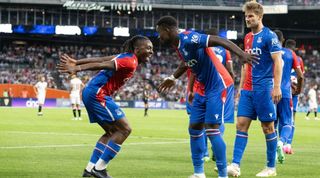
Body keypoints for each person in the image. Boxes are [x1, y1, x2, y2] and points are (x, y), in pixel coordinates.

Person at [156, 15, 257, 178]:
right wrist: (173, 78)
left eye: (160, 32)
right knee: (194, 128)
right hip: (203, 88)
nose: (159, 37)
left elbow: (218, 40)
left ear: (167, 29)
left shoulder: (189, 37)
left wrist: (241, 54)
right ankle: (198, 173)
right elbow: (187, 63)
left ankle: (223, 174)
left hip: (219, 85)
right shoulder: (178, 45)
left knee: (212, 129)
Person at [58, 35, 153, 178]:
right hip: (98, 93)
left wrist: (77, 62)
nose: (151, 51)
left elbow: (101, 59)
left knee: (110, 133)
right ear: (138, 49)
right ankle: (100, 168)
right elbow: (102, 65)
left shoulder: (126, 57)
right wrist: (78, 68)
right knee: (125, 129)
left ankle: (89, 170)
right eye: (149, 48)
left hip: (92, 92)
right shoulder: (130, 61)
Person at [227, 1, 283, 177]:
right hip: (248, 90)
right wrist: (241, 87)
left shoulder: (270, 36)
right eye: (246, 16)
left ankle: (270, 167)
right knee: (241, 124)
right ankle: (235, 165)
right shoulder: (248, 38)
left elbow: (278, 62)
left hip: (264, 88)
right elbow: (246, 63)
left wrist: (276, 87)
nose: (248, 19)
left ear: (260, 16)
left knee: (268, 127)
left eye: (251, 16)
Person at [273, 31, 304, 163]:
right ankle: (282, 143)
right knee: (288, 122)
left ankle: (272, 151)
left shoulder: (268, 51)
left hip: (271, 93)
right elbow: (301, 76)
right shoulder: (291, 54)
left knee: (271, 124)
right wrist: (298, 90)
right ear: (283, 39)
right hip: (286, 93)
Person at [285, 42, 305, 154]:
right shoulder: (299, 59)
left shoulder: (280, 55)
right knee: (292, 118)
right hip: (293, 92)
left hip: (283, 90)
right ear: (294, 48)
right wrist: (298, 90)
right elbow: (301, 76)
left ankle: (281, 142)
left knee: (279, 117)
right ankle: (288, 144)